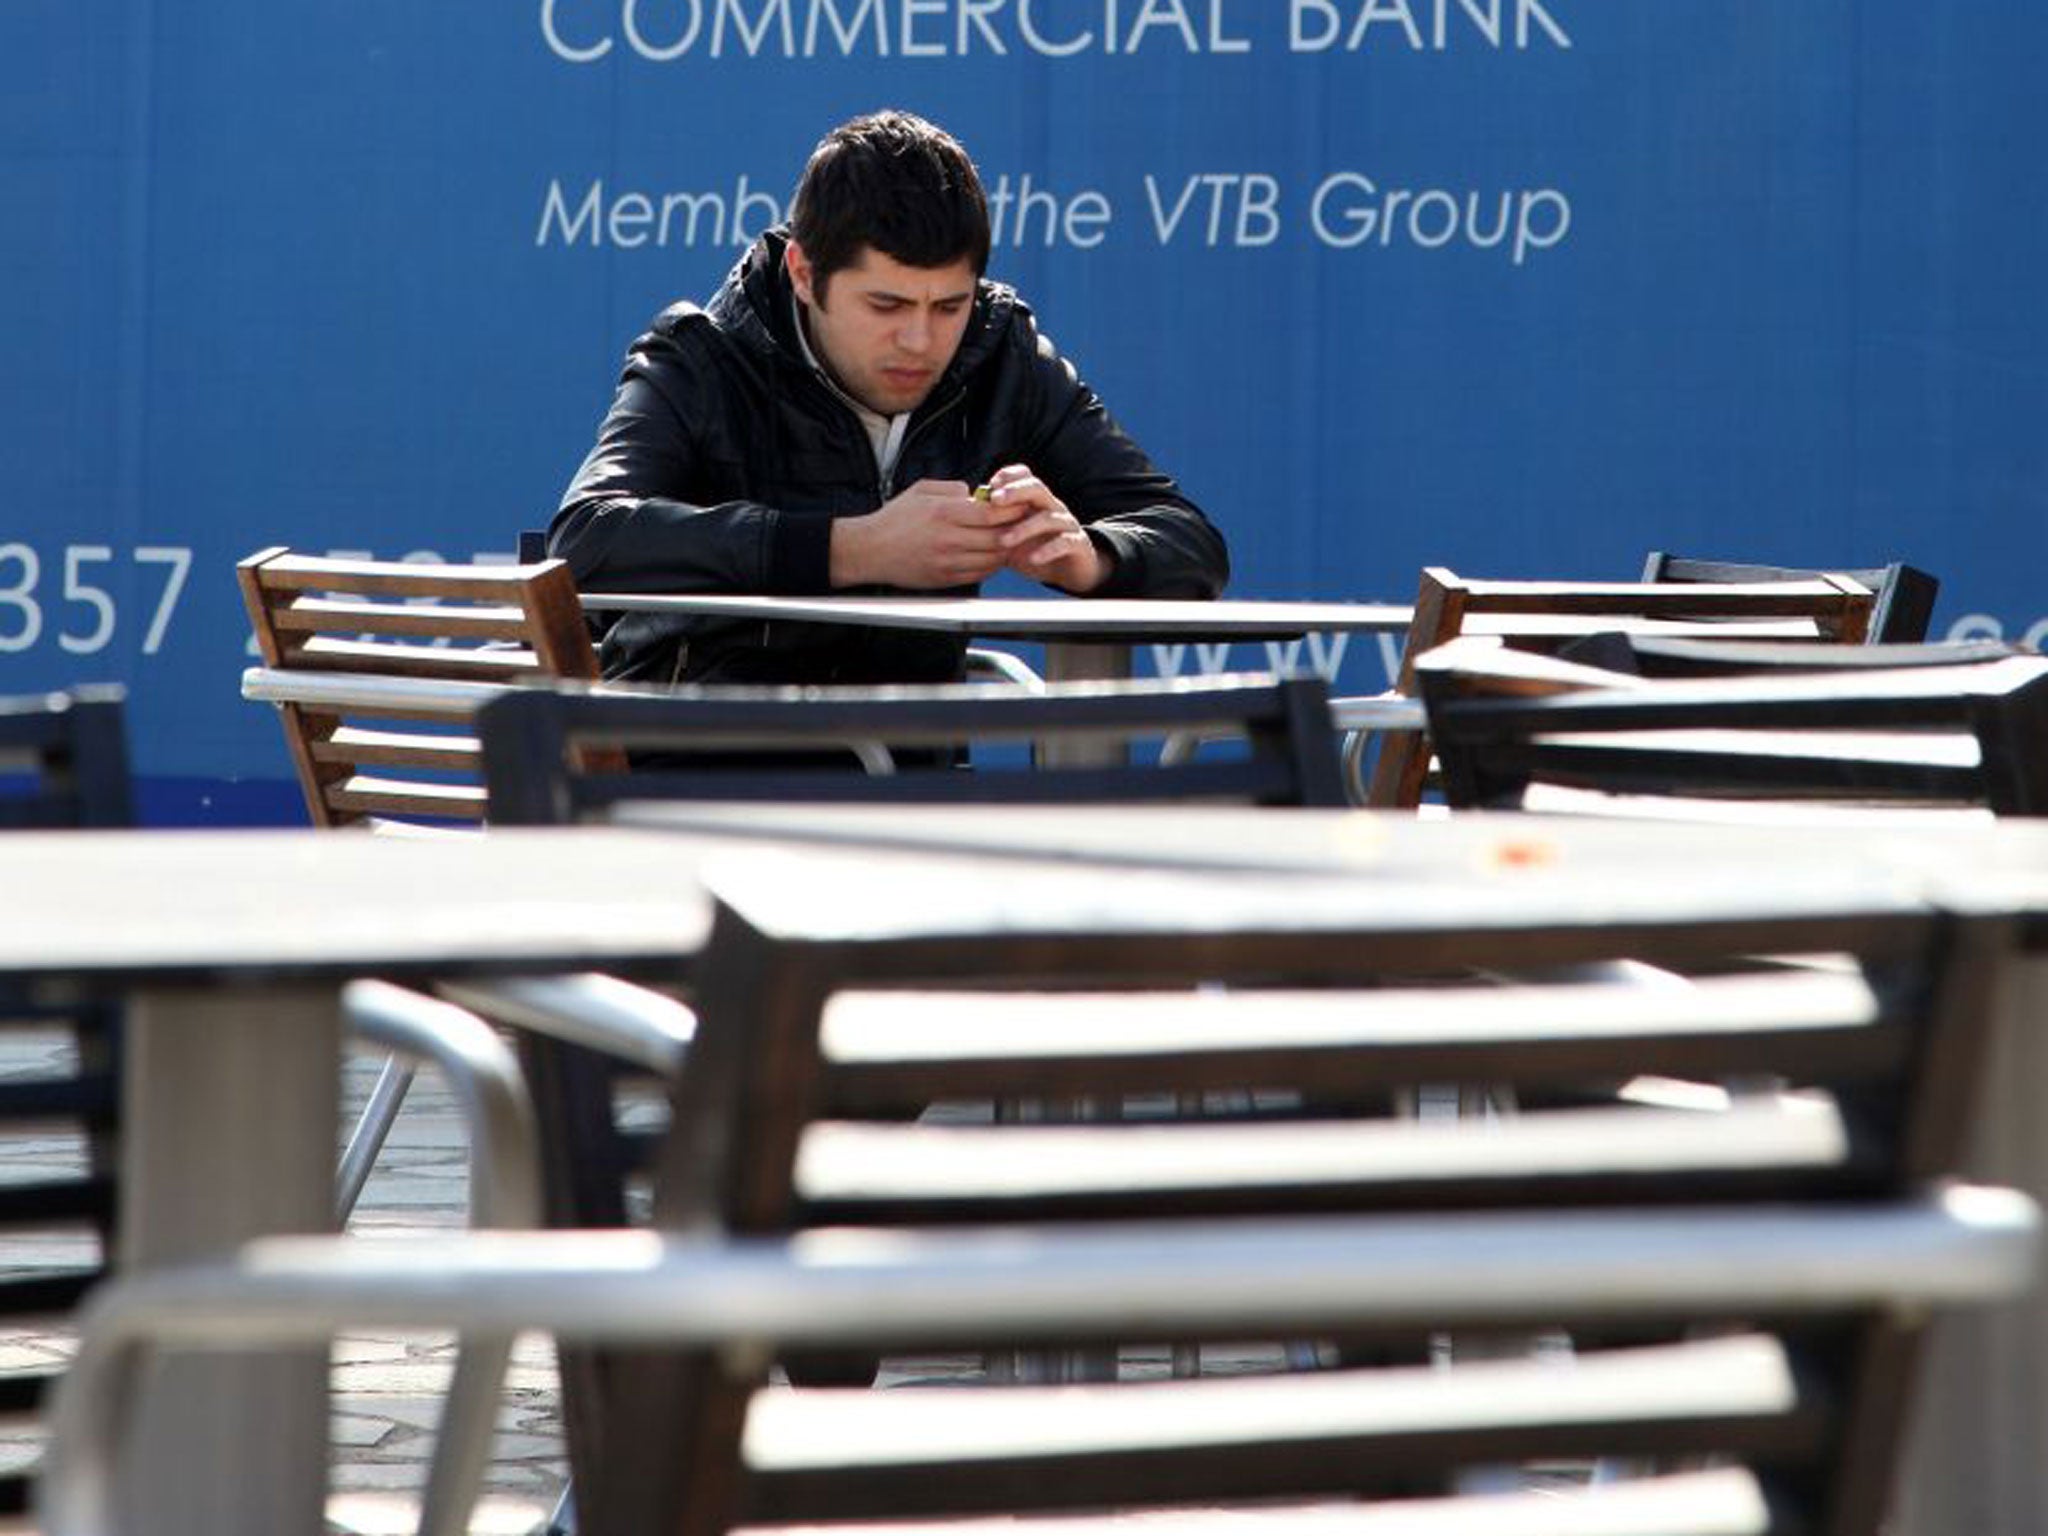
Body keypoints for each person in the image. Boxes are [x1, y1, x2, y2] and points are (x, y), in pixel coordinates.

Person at [548, 109, 1230, 687]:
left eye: (949, 305)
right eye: (886, 304)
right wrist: (853, 549)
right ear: (805, 274)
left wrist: (1089, 556)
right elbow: (583, 541)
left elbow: (1190, 542)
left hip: (915, 795)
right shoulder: (700, 356)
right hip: (697, 782)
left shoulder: (1001, 356)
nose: (920, 340)